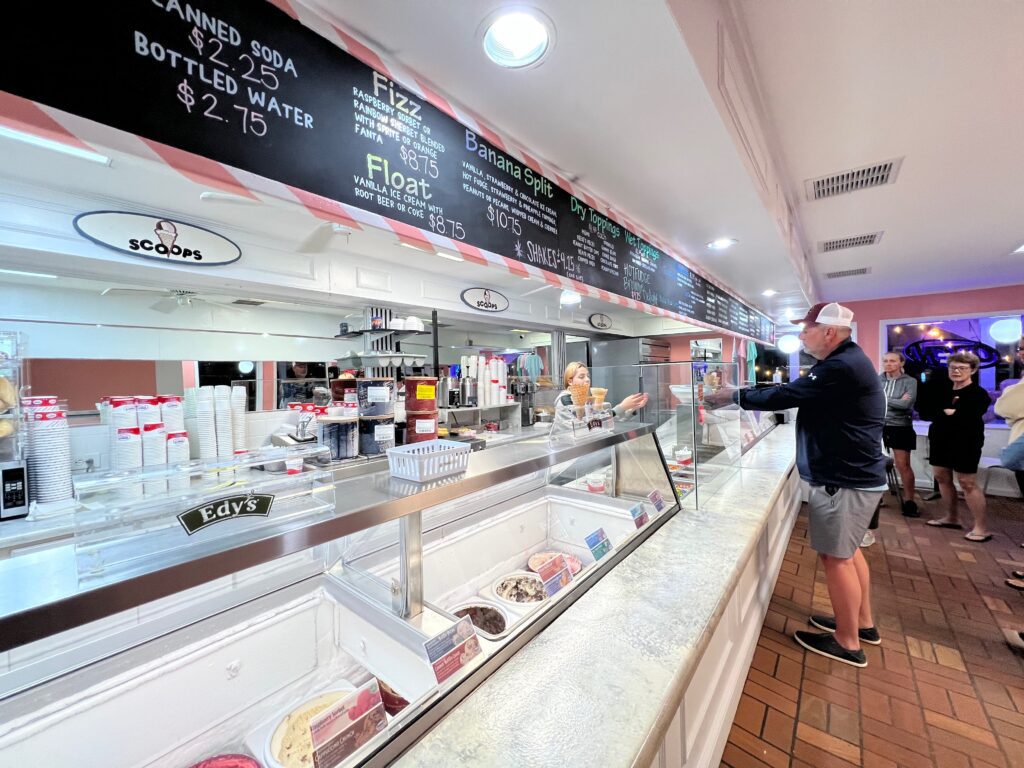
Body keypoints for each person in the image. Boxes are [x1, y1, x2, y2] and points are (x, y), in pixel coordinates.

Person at [708, 302, 886, 668]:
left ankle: (848, 641)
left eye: (806, 329)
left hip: (844, 478)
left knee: (836, 558)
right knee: (849, 552)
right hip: (853, 475)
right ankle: (861, 623)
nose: (801, 335)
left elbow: (787, 395)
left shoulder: (841, 366)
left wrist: (734, 395)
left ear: (829, 332)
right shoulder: (845, 362)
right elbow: (796, 393)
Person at [925, 351, 993, 541]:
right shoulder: (942, 391)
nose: (956, 371)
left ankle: (981, 528)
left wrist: (950, 414)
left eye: (962, 368)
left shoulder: (978, 394)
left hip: (966, 441)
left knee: (967, 482)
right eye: (952, 367)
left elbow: (969, 416)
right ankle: (951, 517)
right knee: (941, 477)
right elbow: (926, 410)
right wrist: (946, 413)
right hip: (940, 439)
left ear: (972, 370)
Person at [880, 351, 920, 517]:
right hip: (878, 425)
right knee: (876, 463)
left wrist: (882, 397)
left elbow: (906, 404)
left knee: (902, 464)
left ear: (901, 363)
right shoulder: (877, 379)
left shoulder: (910, 382)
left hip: (900, 426)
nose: (888, 364)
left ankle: (909, 500)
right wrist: (894, 399)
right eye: (886, 361)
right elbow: (869, 399)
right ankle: (877, 497)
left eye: (892, 361)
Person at [555, 362, 648, 427]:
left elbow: (606, 423)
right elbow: (588, 426)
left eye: (588, 376)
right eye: (581, 377)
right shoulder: (565, 399)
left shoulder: (587, 401)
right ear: (570, 381)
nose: (587, 379)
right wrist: (621, 407)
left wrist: (631, 408)